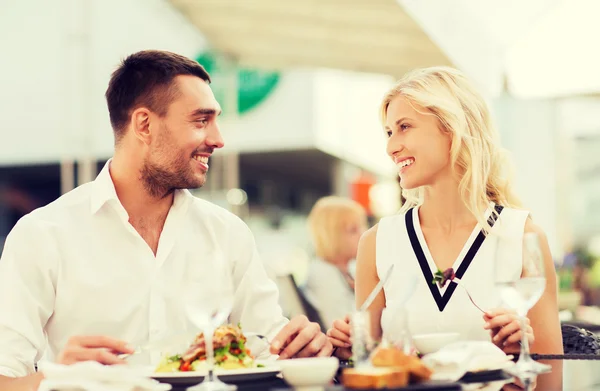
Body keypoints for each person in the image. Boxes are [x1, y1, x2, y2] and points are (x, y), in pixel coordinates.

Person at [0, 50, 332, 390]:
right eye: (201, 121)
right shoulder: (41, 235)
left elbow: (268, 345)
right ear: (144, 125)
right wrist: (56, 381)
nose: (218, 139)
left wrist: (301, 348)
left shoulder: (228, 233)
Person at [327, 67, 563, 359]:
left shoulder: (523, 237)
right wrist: (345, 350)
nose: (390, 147)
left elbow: (551, 380)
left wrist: (522, 352)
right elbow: (368, 364)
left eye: (404, 127)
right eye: (389, 132)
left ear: (452, 129)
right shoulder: (377, 242)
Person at [303, 196, 367, 327]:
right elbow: (341, 325)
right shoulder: (323, 274)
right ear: (332, 236)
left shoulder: (347, 270)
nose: (364, 234)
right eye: (353, 230)